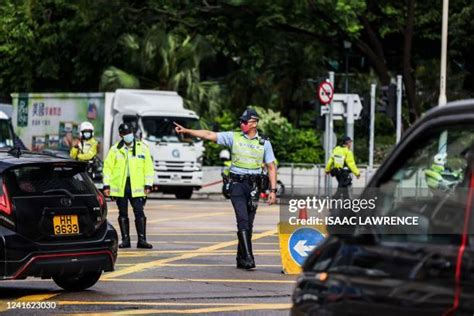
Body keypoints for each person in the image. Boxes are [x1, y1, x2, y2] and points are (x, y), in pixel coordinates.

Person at [174, 108, 277, 270]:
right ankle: (249, 257)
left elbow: (271, 167)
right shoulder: (233, 137)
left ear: (254, 123)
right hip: (236, 184)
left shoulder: (264, 142)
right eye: (241, 121)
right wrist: (187, 131)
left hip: (255, 186)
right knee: (242, 220)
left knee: (249, 224)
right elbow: (209, 134)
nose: (241, 124)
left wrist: (273, 191)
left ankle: (240, 258)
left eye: (245, 122)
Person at [103, 123, 154, 249]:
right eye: (125, 134)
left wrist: (148, 184)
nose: (128, 135)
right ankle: (125, 240)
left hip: (137, 186)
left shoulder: (142, 148)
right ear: (121, 135)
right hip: (121, 186)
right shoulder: (115, 149)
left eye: (129, 133)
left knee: (139, 212)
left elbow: (148, 168)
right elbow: (107, 168)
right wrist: (106, 186)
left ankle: (142, 240)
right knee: (123, 213)